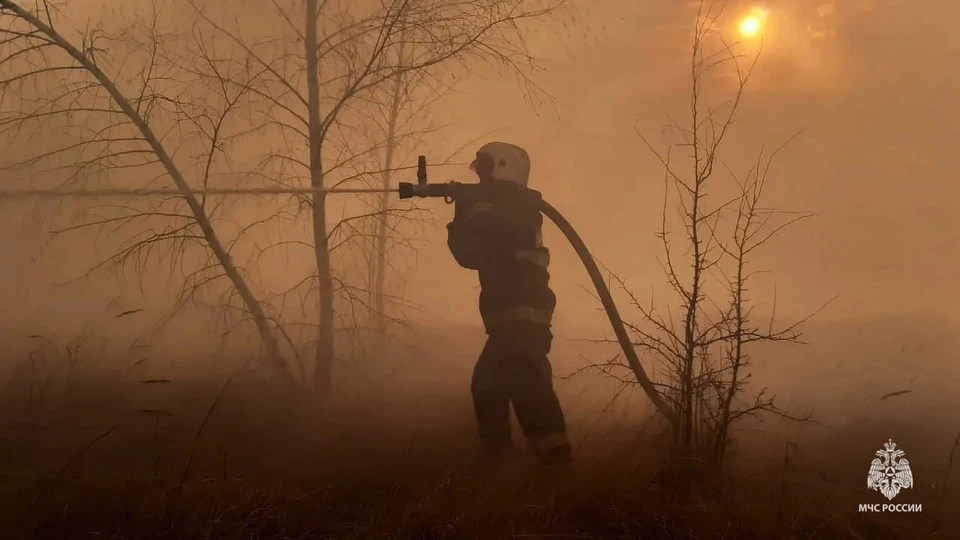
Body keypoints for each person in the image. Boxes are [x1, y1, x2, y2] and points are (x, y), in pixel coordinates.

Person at [446, 141, 573, 467]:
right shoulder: (501, 204)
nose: (480, 178)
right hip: (510, 319)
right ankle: (506, 468)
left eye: (484, 170)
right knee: (495, 386)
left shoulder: (518, 206)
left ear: (502, 167)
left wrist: (467, 209)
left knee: (518, 389)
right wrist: (466, 208)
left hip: (523, 317)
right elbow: (472, 251)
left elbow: (479, 245)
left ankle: (553, 473)